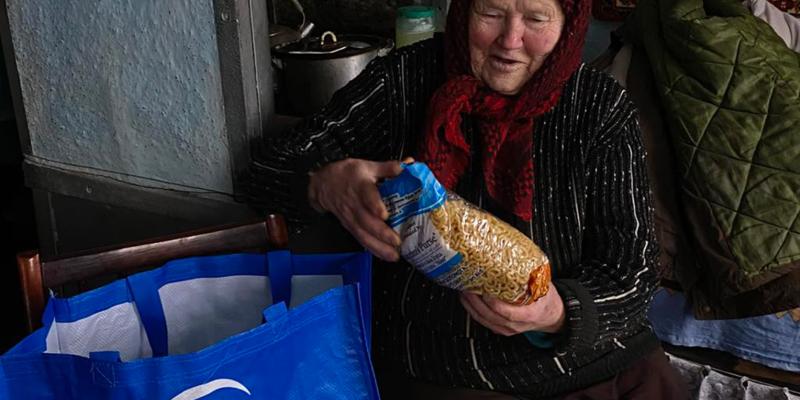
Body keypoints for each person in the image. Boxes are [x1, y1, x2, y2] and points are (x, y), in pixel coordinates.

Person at [243, 0, 689, 398]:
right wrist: (325, 183)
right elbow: (264, 170)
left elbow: (634, 268)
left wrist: (557, 311)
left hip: (593, 359)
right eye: (490, 13)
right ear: (462, 11)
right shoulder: (404, 80)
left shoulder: (598, 107)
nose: (510, 41)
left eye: (536, 18)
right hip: (447, 367)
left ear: (568, 22)